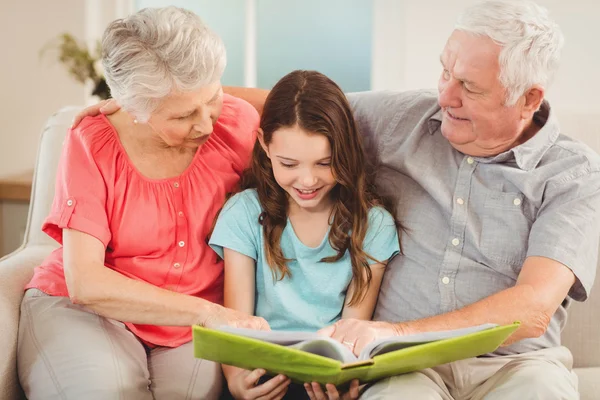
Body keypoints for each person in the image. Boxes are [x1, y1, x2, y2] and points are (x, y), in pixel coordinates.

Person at [226, 1, 600, 398]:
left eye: (469, 87)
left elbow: (532, 309)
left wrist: (397, 332)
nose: (445, 97)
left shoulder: (573, 174)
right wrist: (189, 99)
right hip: (406, 366)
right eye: (445, 72)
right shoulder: (404, 118)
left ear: (528, 99)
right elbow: (299, 110)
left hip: (518, 365)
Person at [17, 7, 269, 400]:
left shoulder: (234, 123)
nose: (205, 123)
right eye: (184, 114)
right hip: (92, 311)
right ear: (134, 107)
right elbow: (86, 283)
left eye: (212, 97)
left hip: (188, 326)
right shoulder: (92, 141)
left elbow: (311, 103)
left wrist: (204, 95)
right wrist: (212, 314)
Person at [209, 70, 400, 400]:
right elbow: (236, 323)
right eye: (289, 164)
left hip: (325, 375)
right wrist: (236, 381)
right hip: (258, 369)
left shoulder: (374, 226)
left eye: (325, 163)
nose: (307, 181)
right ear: (264, 146)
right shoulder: (243, 213)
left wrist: (347, 385)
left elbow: (352, 330)